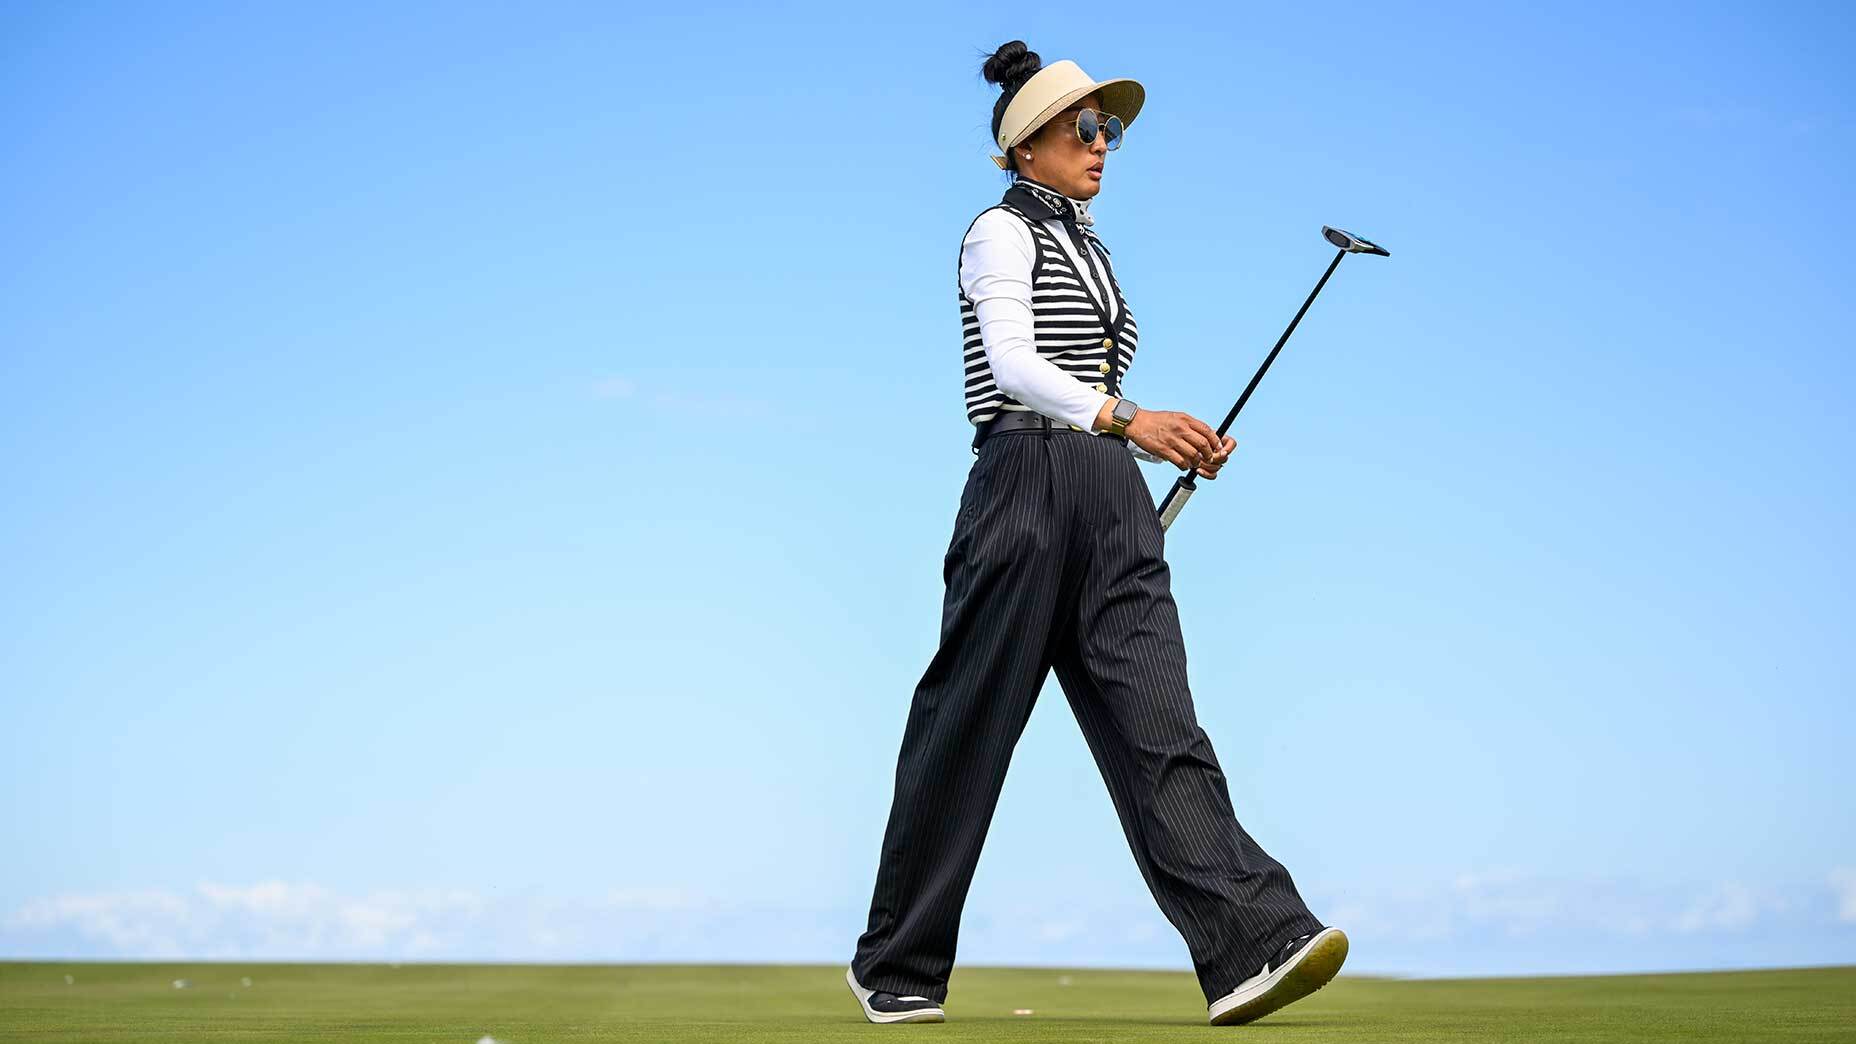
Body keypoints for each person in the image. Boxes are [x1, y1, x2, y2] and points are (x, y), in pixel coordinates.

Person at [844, 40, 1348, 1027]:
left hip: (1107, 492)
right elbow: (1015, 366)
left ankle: (1250, 941)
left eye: (1108, 129)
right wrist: (1128, 419)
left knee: (1157, 718)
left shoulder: (1092, 249)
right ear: (1026, 146)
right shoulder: (996, 233)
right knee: (969, 725)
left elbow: (1090, 394)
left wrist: (1163, 445)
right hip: (1020, 486)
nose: (1102, 144)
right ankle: (896, 963)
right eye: (1084, 128)